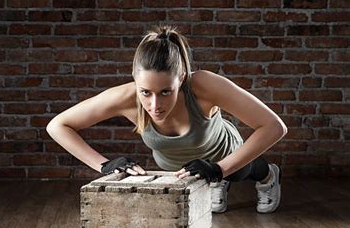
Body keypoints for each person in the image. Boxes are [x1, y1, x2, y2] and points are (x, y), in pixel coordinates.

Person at [47, 24, 287, 214]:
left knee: (240, 172)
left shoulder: (203, 85)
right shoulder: (125, 97)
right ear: (135, 81)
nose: (154, 105)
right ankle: (215, 179)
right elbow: (58, 125)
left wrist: (219, 169)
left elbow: (274, 126)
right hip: (179, 168)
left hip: (225, 156)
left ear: (181, 79)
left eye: (165, 92)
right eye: (145, 92)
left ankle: (267, 176)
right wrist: (104, 165)